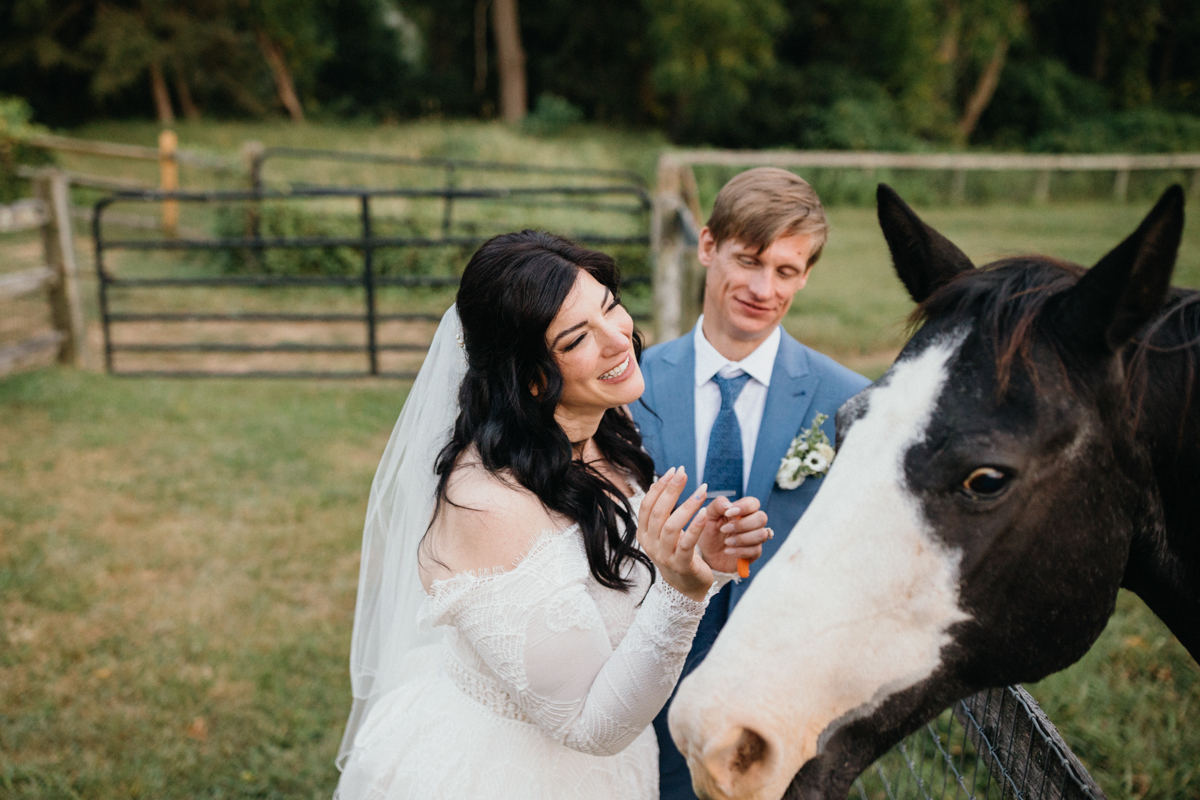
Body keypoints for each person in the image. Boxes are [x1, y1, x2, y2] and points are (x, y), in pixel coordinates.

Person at [334, 231, 774, 800]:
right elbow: (589, 725)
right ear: (532, 377)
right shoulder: (488, 507)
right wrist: (682, 591)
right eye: (577, 338)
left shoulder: (607, 428)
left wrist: (699, 559)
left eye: (610, 307)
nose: (619, 338)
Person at [630, 167, 872, 800]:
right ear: (707, 246)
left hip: (782, 699)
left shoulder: (848, 401)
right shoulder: (632, 390)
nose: (765, 289)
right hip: (647, 680)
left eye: (787, 271)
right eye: (750, 261)